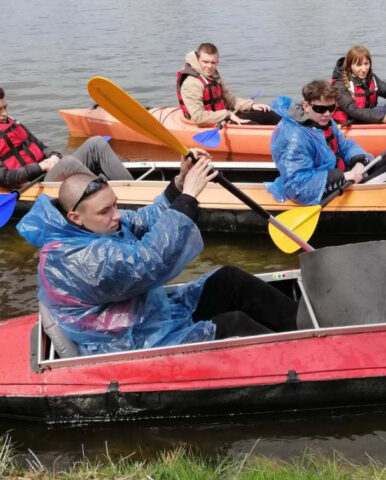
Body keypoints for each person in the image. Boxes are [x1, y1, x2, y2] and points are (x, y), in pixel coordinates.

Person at [17, 149, 298, 356]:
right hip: (127, 341)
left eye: (114, 205)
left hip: (146, 315)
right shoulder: (79, 259)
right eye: (106, 211)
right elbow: (150, 262)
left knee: (228, 279)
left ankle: (307, 327)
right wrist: (188, 199)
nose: (116, 215)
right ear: (75, 217)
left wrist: (178, 185)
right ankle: (296, 359)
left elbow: (144, 220)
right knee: (232, 325)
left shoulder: (93, 225)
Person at [267, 80, 386, 206]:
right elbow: (297, 186)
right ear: (306, 106)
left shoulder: (324, 122)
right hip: (327, 190)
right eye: (320, 109)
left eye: (331, 108)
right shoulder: (295, 137)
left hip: (348, 177)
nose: (327, 114)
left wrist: (359, 161)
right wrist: (343, 176)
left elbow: (346, 145)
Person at [0, 87, 133, 189]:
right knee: (69, 162)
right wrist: (40, 167)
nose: (4, 113)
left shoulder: (13, 124)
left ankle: (132, 188)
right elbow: (5, 177)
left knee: (96, 142)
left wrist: (53, 156)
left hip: (47, 173)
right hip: (30, 185)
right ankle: (103, 194)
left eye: (5, 107)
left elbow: (42, 147)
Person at [176, 42, 280, 125]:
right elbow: (198, 117)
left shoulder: (214, 76)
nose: (209, 66)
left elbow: (231, 100)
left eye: (213, 62)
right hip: (210, 121)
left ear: (217, 62)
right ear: (198, 60)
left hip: (224, 116)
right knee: (251, 125)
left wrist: (251, 105)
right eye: (205, 62)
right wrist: (227, 114)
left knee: (268, 113)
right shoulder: (191, 83)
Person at [331, 45, 386, 125]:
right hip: (352, 120)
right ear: (350, 66)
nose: (364, 69)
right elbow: (353, 110)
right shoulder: (340, 85)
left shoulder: (371, 78)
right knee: (383, 110)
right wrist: (385, 117)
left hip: (370, 116)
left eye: (366, 64)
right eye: (359, 65)